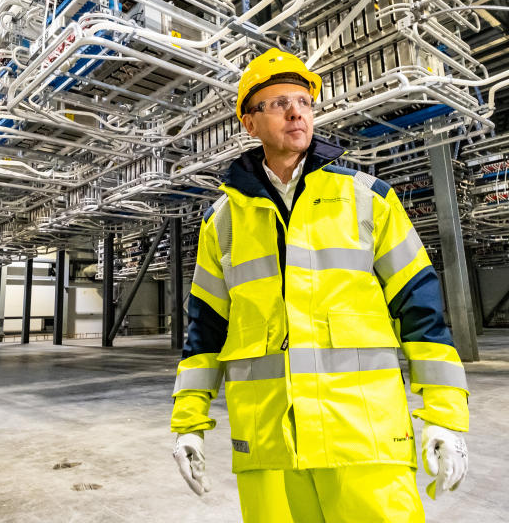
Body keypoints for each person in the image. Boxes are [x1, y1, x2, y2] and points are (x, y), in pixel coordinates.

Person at [170, 48, 471, 522]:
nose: (296, 111)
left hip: (363, 438)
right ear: (249, 123)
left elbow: (423, 311)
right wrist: (188, 423)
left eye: (304, 102)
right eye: (278, 103)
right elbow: (204, 330)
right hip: (270, 447)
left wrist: (445, 416)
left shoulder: (368, 200)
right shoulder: (221, 223)